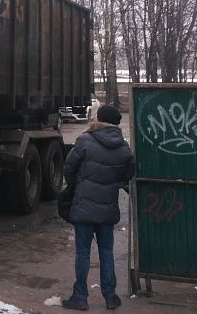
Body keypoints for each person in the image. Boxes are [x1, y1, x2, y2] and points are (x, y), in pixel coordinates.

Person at [61, 104, 135, 311]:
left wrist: (78, 185)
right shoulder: (123, 147)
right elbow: (128, 174)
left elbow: (69, 168)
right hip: (107, 208)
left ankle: (80, 297)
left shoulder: (85, 141)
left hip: (84, 207)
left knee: (83, 252)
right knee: (106, 252)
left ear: (99, 120)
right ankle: (110, 297)